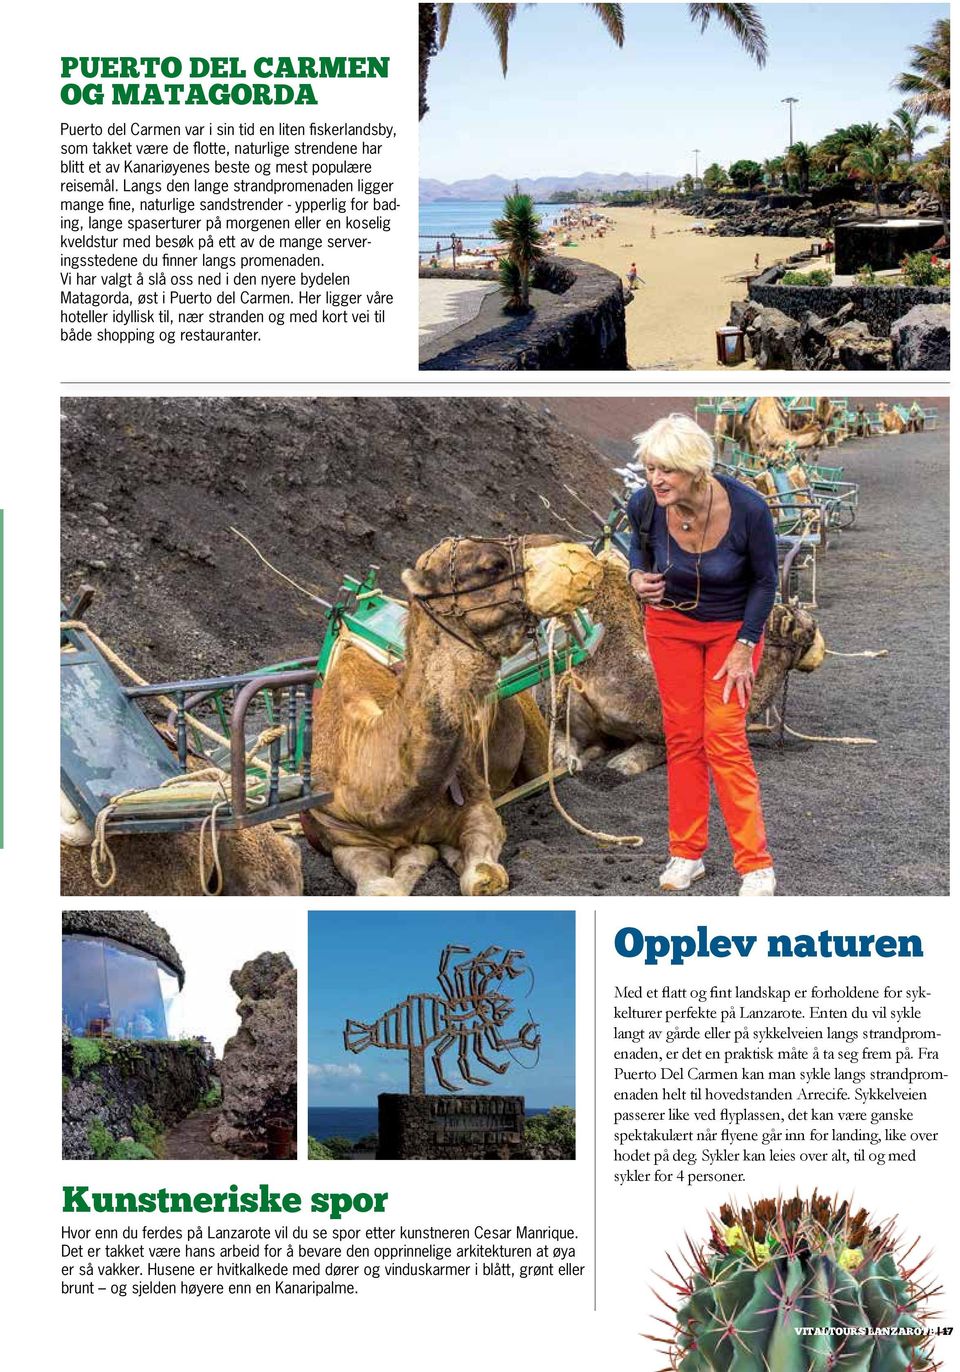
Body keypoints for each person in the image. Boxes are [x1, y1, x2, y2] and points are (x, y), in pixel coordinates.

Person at [626, 414, 779, 897]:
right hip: (669, 627)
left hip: (733, 633)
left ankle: (756, 865)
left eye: (666, 470)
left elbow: (765, 581)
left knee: (724, 736)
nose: (656, 480)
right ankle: (687, 854)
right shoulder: (646, 505)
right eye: (651, 468)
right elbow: (636, 549)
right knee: (684, 737)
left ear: (696, 469)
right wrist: (635, 577)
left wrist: (745, 645)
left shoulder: (749, 509)